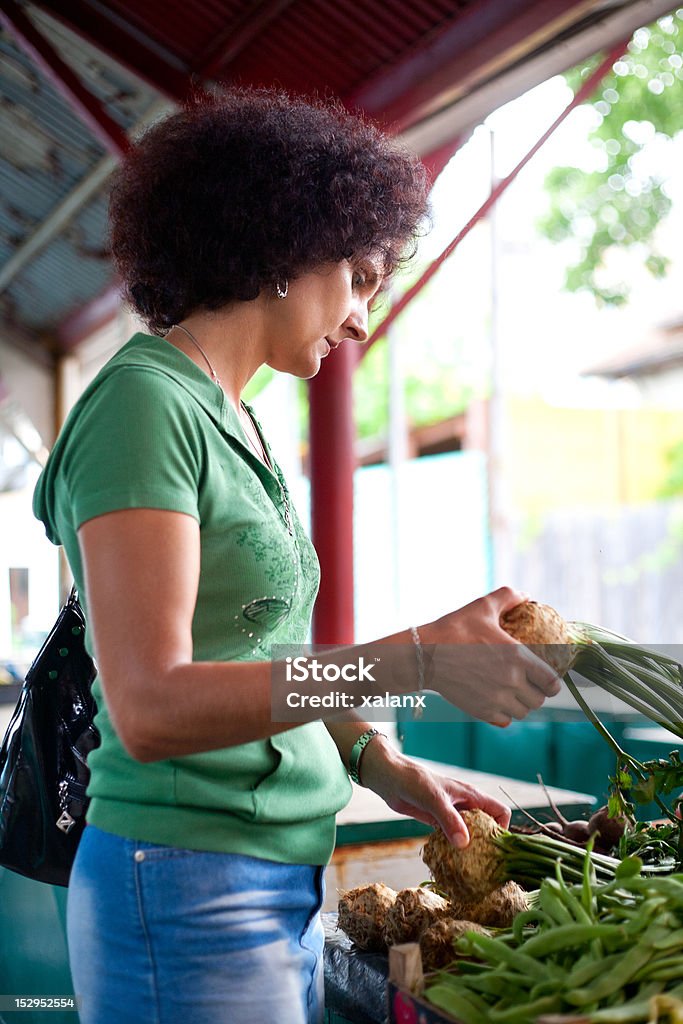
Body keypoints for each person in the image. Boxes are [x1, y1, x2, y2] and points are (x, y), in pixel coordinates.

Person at [33, 88, 561, 1024]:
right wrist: (417, 660)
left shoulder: (234, 420)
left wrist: (375, 756)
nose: (362, 318)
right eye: (359, 276)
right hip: (187, 875)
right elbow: (150, 705)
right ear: (280, 246)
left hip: (266, 870)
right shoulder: (143, 408)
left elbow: (263, 659)